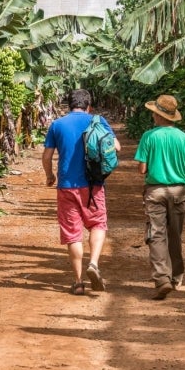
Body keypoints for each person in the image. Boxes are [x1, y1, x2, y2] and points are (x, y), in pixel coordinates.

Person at [42, 89, 121, 295]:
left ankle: (77, 282)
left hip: (67, 185)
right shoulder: (97, 120)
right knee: (98, 224)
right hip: (93, 184)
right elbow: (117, 147)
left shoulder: (57, 124)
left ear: (69, 105)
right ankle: (93, 263)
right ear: (89, 106)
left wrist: (50, 176)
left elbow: (47, 156)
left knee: (72, 234)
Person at [134, 94, 185, 300]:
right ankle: (176, 277)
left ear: (159, 116)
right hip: (179, 192)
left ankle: (162, 277)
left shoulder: (149, 137)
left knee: (156, 235)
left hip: (155, 191)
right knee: (175, 235)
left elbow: (142, 169)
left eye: (154, 113)